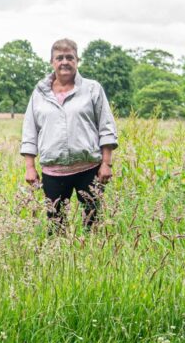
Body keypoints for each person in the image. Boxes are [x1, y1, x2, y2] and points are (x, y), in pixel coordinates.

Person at [20, 38, 118, 231]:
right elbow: (30, 129)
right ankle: (59, 260)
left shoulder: (92, 89)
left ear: (77, 60)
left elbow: (106, 126)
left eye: (69, 57)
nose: (64, 61)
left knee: (93, 223)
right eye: (59, 58)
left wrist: (106, 163)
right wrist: (29, 167)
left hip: (89, 169)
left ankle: (92, 258)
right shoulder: (39, 93)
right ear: (52, 62)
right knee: (56, 225)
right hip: (53, 172)